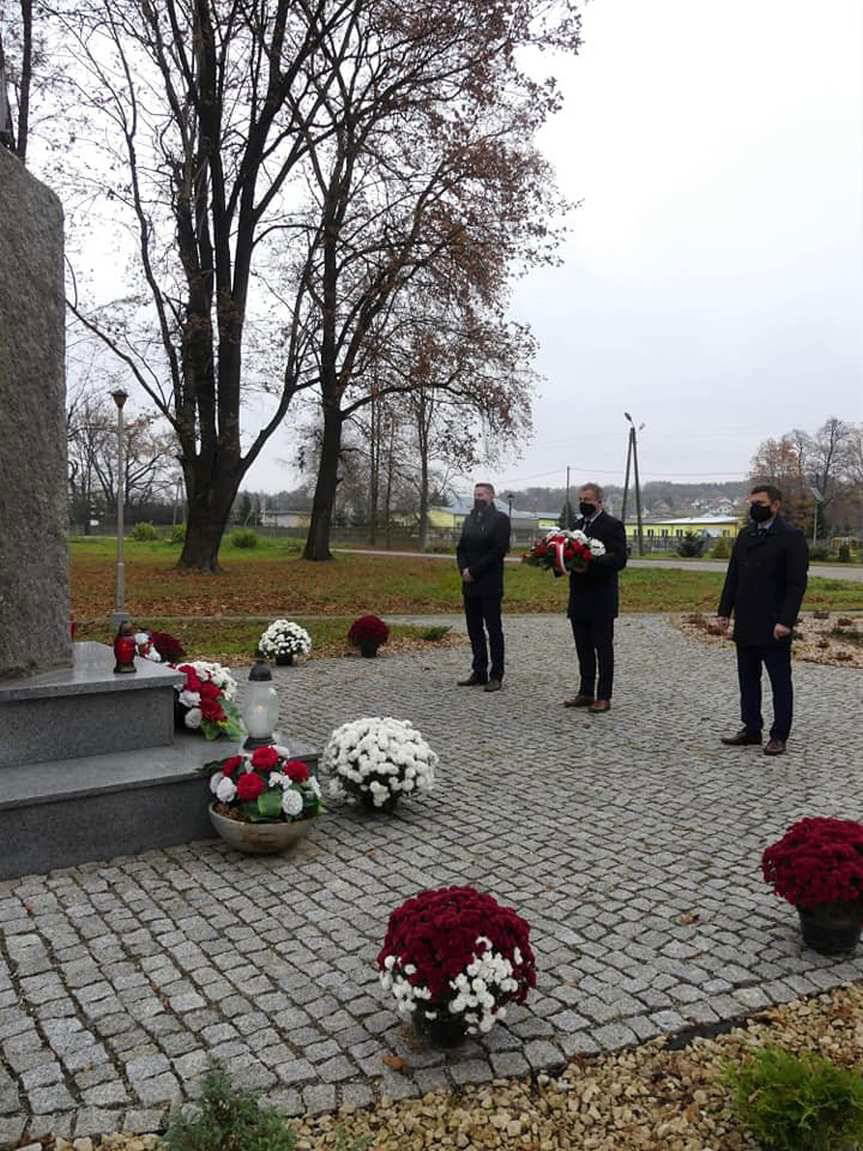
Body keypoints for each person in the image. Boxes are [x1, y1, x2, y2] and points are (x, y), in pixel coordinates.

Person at [717, 484, 809, 756]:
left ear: (776, 505)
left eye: (760, 504)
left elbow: (796, 584)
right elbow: (733, 575)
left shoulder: (791, 537)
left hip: (774, 623)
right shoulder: (746, 534)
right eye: (752, 503)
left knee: (780, 682)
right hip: (746, 620)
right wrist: (724, 611)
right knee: (748, 679)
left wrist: (786, 621)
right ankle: (751, 728)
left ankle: (779, 735)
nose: (755, 508)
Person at [564, 483, 628, 714]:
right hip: (579, 596)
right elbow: (566, 555)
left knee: (603, 648)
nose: (584, 503)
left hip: (601, 597)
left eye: (588, 500)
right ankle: (586, 691)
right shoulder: (576, 526)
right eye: (581, 499)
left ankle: (603, 696)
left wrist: (590, 563)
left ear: (599, 502)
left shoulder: (612, 525)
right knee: (583, 647)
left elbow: (619, 559)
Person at [456, 482, 511, 692]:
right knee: (474, 629)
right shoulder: (470, 519)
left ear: (491, 496)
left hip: (489, 583)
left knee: (493, 630)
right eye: (476, 494)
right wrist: (463, 569)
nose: (478, 498)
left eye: (482, 495)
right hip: (469, 583)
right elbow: (461, 548)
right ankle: (479, 671)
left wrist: (474, 571)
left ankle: (496, 674)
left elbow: (498, 550)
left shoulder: (500, 519)